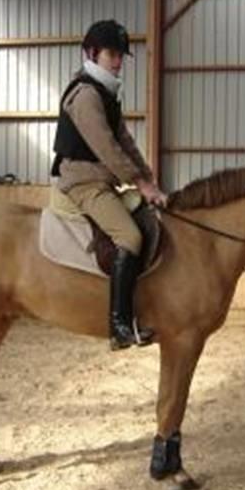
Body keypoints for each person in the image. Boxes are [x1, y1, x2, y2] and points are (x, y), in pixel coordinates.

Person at [51, 19, 167, 350]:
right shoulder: (85, 94)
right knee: (129, 236)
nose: (117, 62)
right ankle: (118, 325)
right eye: (111, 55)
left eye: (120, 56)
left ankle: (137, 313)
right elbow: (106, 147)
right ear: (91, 53)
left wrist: (149, 182)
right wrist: (137, 182)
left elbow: (126, 142)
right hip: (83, 182)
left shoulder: (106, 94)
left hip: (103, 180)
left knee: (147, 219)